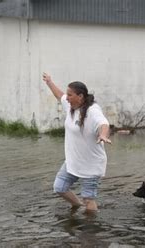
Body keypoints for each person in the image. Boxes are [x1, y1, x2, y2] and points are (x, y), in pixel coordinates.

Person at [42, 72, 111, 214]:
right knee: (59, 187)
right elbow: (59, 95)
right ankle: (77, 206)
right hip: (73, 161)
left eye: (70, 95)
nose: (66, 98)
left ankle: (91, 228)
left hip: (91, 164)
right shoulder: (70, 106)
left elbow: (103, 123)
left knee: (88, 198)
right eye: (67, 95)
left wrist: (103, 135)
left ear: (80, 97)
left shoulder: (92, 110)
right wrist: (49, 82)